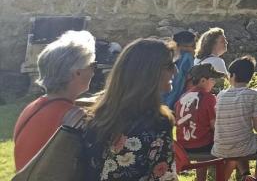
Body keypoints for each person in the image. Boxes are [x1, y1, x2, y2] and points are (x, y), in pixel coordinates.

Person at [83, 38, 178, 181]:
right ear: (149, 72)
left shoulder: (98, 115)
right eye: (170, 66)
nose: (175, 71)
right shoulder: (156, 123)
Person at [13, 30, 95, 171]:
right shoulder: (73, 116)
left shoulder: (32, 108)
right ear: (77, 72)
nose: (93, 72)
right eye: (92, 65)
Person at [212, 56, 257, 181]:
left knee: (241, 142)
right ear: (250, 77)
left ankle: (245, 174)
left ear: (232, 75)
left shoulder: (221, 95)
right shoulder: (254, 95)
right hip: (243, 147)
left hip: (220, 147)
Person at [175, 64, 225, 181]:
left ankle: (200, 179)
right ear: (203, 80)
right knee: (226, 146)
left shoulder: (183, 97)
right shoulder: (209, 98)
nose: (214, 82)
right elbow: (214, 126)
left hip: (182, 145)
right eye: (212, 79)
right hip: (202, 145)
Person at [163, 30, 196, 108]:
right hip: (175, 103)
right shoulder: (187, 57)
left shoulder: (165, 55)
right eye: (194, 45)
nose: (195, 48)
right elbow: (190, 80)